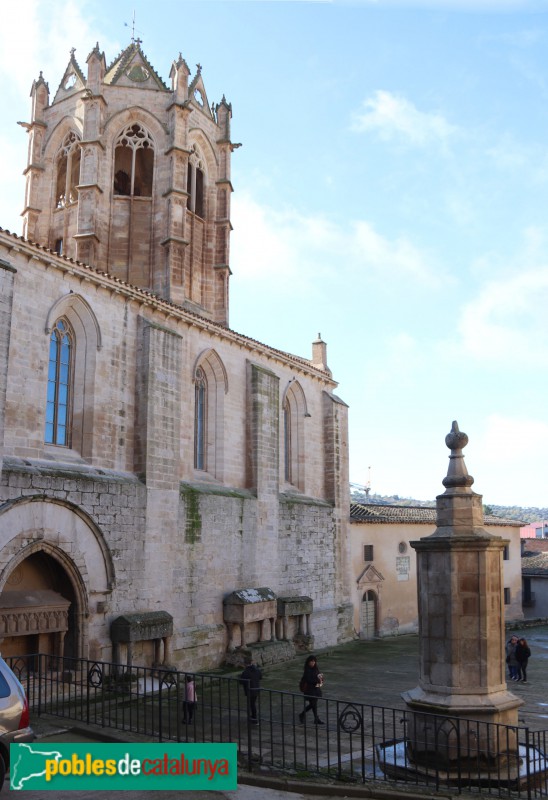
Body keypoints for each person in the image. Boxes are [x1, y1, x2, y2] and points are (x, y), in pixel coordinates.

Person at [299, 654, 324, 725]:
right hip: (309, 690)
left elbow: (319, 676)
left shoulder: (316, 668)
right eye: (311, 661)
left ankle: (315, 719)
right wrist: (316, 680)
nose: (313, 663)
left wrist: (321, 679)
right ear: (308, 662)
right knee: (313, 704)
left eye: (314, 661)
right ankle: (303, 715)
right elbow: (308, 680)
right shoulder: (307, 670)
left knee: (313, 704)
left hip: (316, 689)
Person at [239, 656, 262, 724]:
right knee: (252, 703)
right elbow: (260, 677)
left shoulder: (246, 672)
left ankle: (254, 719)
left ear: (245, 664)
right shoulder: (257, 669)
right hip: (256, 689)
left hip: (250, 690)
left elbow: (241, 681)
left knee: (252, 704)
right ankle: (253, 717)